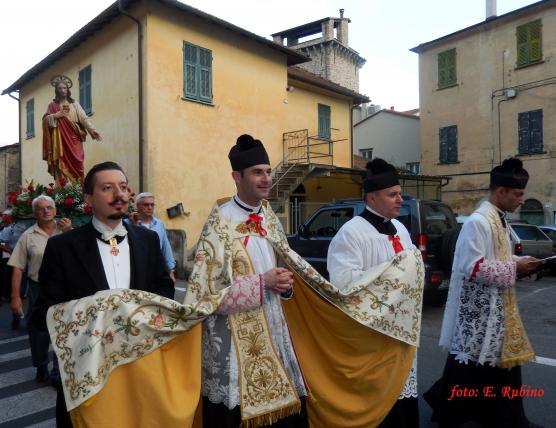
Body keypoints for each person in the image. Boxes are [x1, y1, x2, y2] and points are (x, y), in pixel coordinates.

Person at [33, 161, 174, 427]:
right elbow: (44, 313)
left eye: (123, 187)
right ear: (88, 198)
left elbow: (164, 289)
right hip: (87, 373)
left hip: (140, 367)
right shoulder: (62, 247)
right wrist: (94, 313)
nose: (119, 194)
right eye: (107, 188)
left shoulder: (148, 240)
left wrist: (143, 313)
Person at [191, 134, 309, 427]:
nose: (266, 178)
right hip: (233, 344)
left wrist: (283, 285)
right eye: (257, 172)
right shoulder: (220, 221)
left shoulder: (269, 215)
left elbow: (282, 265)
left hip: (273, 331)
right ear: (236, 176)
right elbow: (205, 293)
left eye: (268, 171)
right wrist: (262, 283)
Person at [424, 158, 542, 428]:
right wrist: (516, 269)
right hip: (478, 312)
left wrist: (523, 264)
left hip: (497, 306)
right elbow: (473, 266)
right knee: (469, 370)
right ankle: (450, 410)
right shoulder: (478, 221)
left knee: (495, 368)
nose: (521, 199)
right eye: (518, 193)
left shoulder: (499, 220)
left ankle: (507, 417)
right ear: (500, 191)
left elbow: (499, 256)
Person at [327, 158, 420, 428]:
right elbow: (344, 285)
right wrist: (391, 277)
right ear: (372, 196)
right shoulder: (351, 233)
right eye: (393, 194)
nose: (400, 199)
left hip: (402, 333)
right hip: (372, 334)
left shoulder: (401, 229)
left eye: (400, 193)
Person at [8, 196, 72, 383]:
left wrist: (69, 232)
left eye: (49, 207)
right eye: (41, 208)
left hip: (64, 287)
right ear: (35, 212)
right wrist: (15, 297)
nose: (46, 211)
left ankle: (57, 371)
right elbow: (17, 266)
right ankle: (41, 365)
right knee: (38, 331)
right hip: (39, 287)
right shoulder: (28, 236)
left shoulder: (66, 231)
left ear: (55, 209)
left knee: (63, 330)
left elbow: (81, 253)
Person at [42, 75, 102, 184]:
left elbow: (84, 118)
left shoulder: (74, 104)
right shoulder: (52, 106)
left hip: (74, 139)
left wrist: (92, 130)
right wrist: (56, 115)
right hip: (60, 141)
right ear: (56, 90)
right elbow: (45, 120)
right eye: (60, 88)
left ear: (68, 90)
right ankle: (63, 188)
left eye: (64, 88)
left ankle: (78, 187)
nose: (62, 90)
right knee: (61, 163)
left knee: (78, 164)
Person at [126, 192, 176, 282]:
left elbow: (165, 246)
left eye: (152, 205)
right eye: (146, 205)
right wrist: (134, 224)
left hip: (155, 269)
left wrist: (171, 269)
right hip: (135, 270)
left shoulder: (159, 224)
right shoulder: (127, 224)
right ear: (137, 206)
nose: (150, 207)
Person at [0, 221, 30, 329]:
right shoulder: (10, 228)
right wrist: (12, 251)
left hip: (33, 262)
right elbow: (1, 243)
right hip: (17, 263)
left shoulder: (32, 225)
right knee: (18, 292)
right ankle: (16, 315)